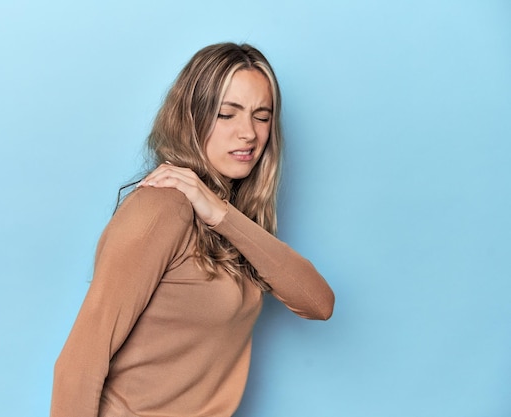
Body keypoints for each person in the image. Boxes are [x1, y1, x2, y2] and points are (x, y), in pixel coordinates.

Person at [50, 42, 335, 417]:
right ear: (192, 116)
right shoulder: (162, 206)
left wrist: (222, 214)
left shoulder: (226, 219)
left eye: (261, 116)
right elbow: (81, 359)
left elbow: (318, 303)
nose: (247, 133)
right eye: (226, 114)